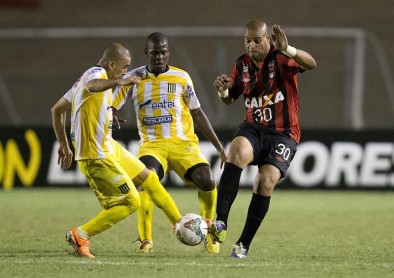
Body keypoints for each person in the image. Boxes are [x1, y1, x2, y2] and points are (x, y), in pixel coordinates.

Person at [51, 42, 182, 258]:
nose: (126, 71)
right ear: (112, 64)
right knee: (132, 201)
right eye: (124, 67)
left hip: (109, 146)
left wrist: (65, 144)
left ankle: (179, 223)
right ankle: (80, 235)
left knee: (149, 179)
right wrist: (120, 81)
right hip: (96, 155)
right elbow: (94, 86)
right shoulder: (96, 74)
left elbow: (56, 110)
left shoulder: (81, 81)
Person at [112, 32, 227, 254]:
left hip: (183, 144)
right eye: (154, 52)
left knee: (208, 180)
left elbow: (197, 112)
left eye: (163, 52)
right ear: (147, 52)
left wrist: (219, 148)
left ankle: (210, 232)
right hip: (152, 145)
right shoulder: (133, 79)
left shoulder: (182, 77)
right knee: (146, 179)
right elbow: (111, 105)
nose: (159, 57)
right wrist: (110, 115)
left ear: (168, 52)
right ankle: (145, 240)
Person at [210, 21, 317, 258]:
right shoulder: (242, 64)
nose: (251, 45)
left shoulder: (281, 58)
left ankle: (243, 244)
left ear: (268, 38)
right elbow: (230, 99)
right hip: (253, 128)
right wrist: (223, 91)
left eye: (256, 40)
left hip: (284, 133)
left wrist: (289, 49)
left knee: (265, 182)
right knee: (236, 152)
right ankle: (221, 222)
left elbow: (311, 63)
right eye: (247, 40)